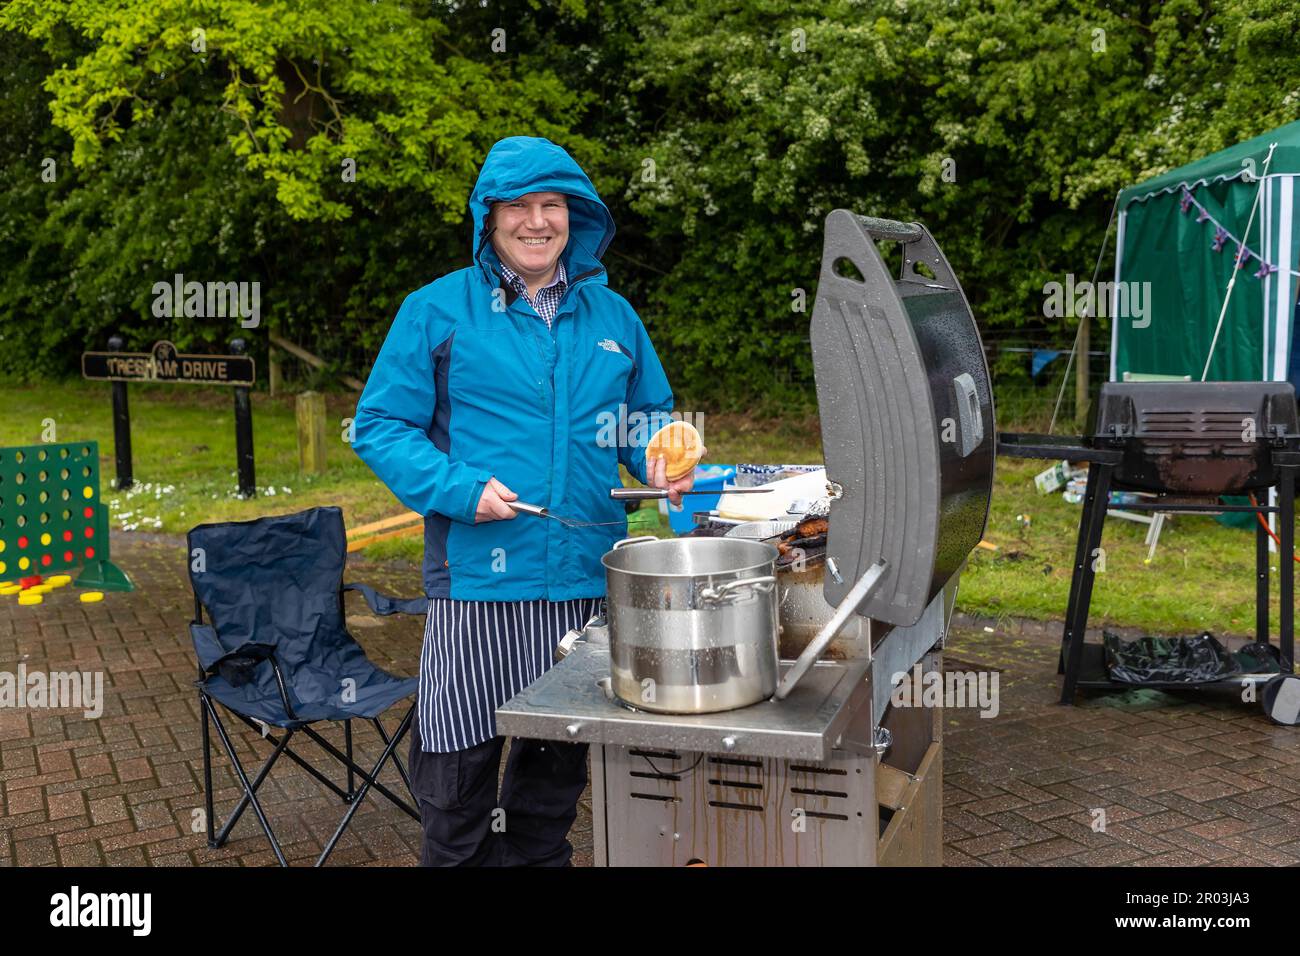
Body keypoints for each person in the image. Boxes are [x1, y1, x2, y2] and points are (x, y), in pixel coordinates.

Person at [352, 135, 695, 866]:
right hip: (478, 585)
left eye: (553, 206)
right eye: (519, 207)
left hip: (582, 583)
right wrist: (458, 488)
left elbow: (643, 418)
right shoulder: (436, 310)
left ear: (577, 218)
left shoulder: (613, 318)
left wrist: (663, 451)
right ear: (490, 218)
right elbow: (379, 424)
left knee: (550, 791)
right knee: (456, 793)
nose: (537, 222)